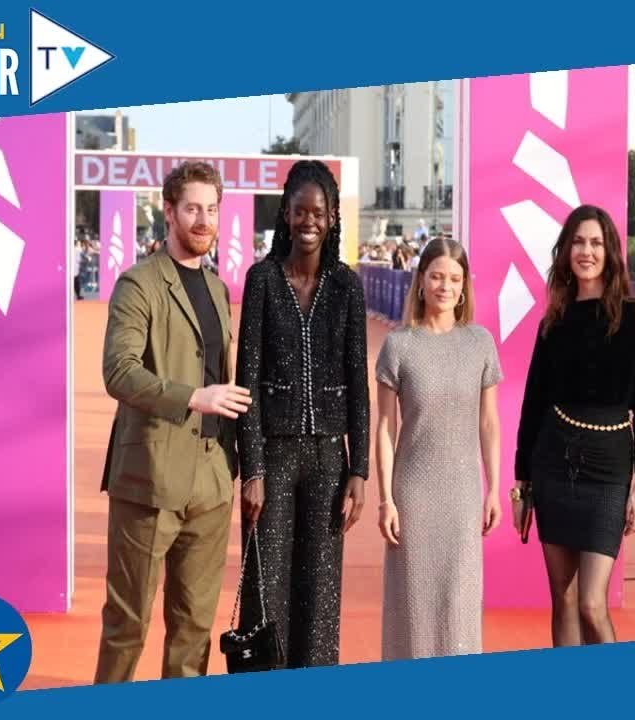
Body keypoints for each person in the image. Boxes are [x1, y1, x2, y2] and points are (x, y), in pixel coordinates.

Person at [95, 160, 249, 682]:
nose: (204, 220)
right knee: (127, 625)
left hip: (212, 482)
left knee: (194, 631)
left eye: (212, 209)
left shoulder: (218, 288)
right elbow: (119, 371)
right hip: (150, 480)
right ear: (169, 211)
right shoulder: (138, 284)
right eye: (192, 209)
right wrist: (193, 398)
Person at [234, 159, 370, 668]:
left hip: (329, 461)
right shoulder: (263, 280)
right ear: (285, 215)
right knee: (266, 591)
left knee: (319, 596)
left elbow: (357, 381)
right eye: (300, 211)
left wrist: (359, 471)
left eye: (319, 212)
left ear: (332, 218)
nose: (309, 221)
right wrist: (253, 469)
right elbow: (247, 380)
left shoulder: (346, 286)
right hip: (273, 455)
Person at [512, 204, 635, 646]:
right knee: (562, 597)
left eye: (596, 242)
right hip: (553, 464)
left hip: (609, 468)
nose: (586, 251)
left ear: (610, 251)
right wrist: (522, 487)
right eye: (578, 242)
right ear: (565, 251)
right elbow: (533, 406)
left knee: (592, 603)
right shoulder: (553, 322)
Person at [373, 238, 503, 660]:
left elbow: (489, 423)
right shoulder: (399, 345)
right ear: (421, 280)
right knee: (412, 605)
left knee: (460, 605)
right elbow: (386, 428)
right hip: (413, 495)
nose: (445, 286)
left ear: (464, 286)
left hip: (463, 494)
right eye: (437, 277)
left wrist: (494, 489)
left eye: (454, 279)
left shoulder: (480, 343)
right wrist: (386, 500)